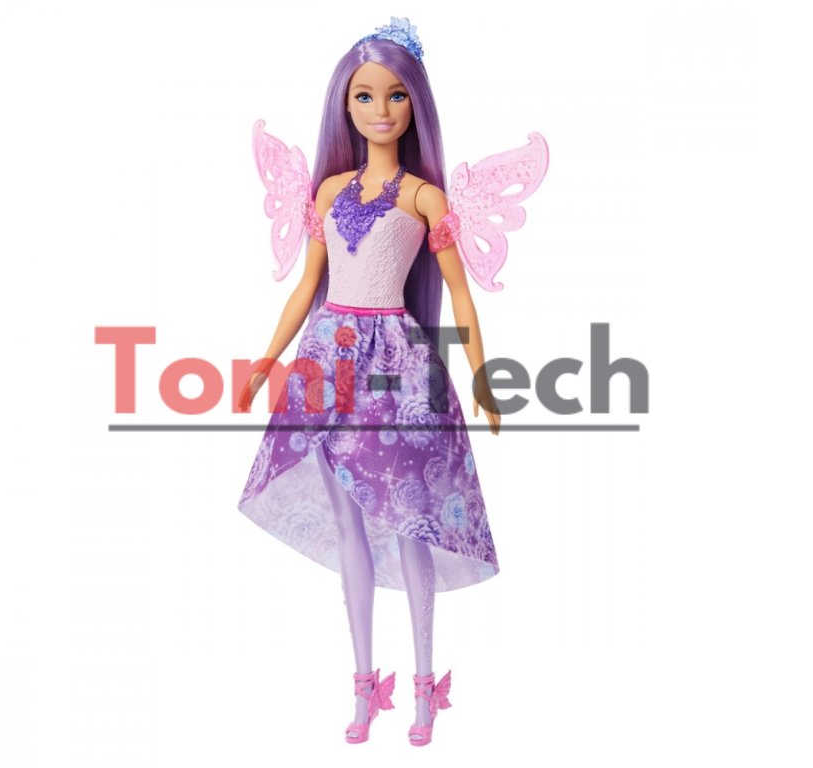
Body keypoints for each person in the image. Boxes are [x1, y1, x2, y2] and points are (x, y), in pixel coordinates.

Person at [235, 17, 547, 746]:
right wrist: (267, 358)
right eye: (365, 96)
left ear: (415, 104)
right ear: (344, 104)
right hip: (326, 359)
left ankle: (424, 688)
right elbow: (307, 285)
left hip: (395, 367)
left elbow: (459, 292)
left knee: (410, 521)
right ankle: (362, 687)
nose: (380, 109)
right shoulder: (328, 191)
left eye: (396, 95)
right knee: (348, 521)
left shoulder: (425, 198)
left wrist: (483, 376)